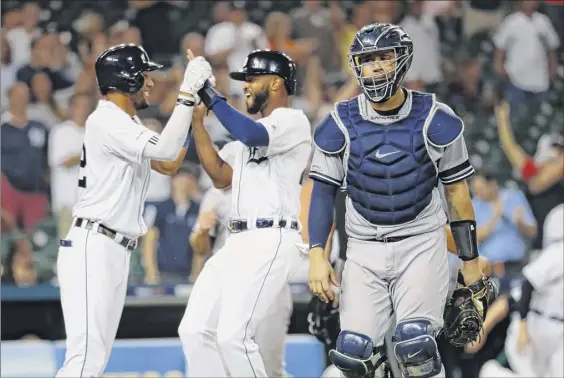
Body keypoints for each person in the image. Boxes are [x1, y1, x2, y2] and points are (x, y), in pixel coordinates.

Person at [307, 23, 495, 378]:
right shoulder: (339, 123)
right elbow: (322, 191)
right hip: (363, 247)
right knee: (352, 355)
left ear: (402, 60)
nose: (375, 67)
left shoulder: (436, 119)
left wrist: (469, 262)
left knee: (416, 347)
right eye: (366, 60)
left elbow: (457, 194)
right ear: (355, 66)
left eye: (384, 57)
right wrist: (317, 254)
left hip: (421, 243)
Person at [55, 44, 212, 377]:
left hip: (112, 247)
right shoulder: (107, 120)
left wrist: (191, 116)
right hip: (93, 245)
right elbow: (166, 150)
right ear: (125, 79)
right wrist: (185, 93)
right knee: (85, 358)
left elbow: (167, 164)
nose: (150, 83)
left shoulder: (127, 119)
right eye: (145, 75)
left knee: (94, 358)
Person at [177, 49, 311, 377]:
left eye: (252, 78)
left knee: (233, 336)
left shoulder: (292, 121)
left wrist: (209, 93)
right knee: (194, 330)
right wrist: (199, 124)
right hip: (236, 242)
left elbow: (253, 135)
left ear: (277, 84)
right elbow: (221, 176)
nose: (246, 86)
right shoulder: (248, 134)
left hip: (271, 236)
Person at [189, 186, 292, 377]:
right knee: (227, 361)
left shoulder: (276, 181)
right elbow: (200, 247)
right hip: (229, 285)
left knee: (269, 366)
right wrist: (202, 231)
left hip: (270, 281)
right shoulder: (218, 191)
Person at [475, 203, 563, 378]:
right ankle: (492, 374)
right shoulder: (557, 252)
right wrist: (484, 328)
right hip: (534, 325)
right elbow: (518, 292)